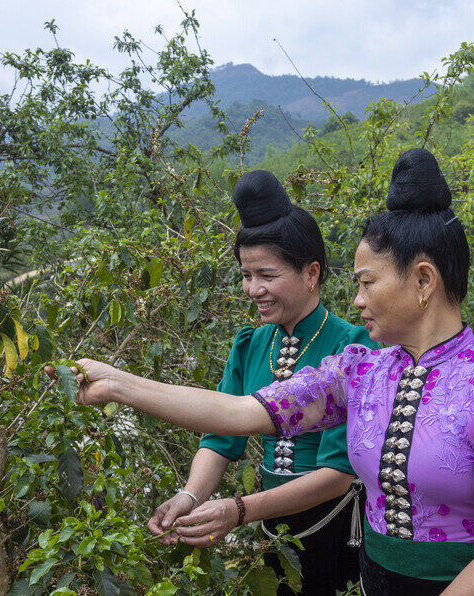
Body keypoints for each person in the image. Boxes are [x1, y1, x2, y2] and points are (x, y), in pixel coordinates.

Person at [57, 149, 474, 596]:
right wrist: (119, 383)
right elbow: (239, 412)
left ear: (423, 280)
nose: (358, 301)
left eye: (367, 283)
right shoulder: (361, 370)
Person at [148, 170, 376, 595]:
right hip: (271, 529)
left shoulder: (352, 347)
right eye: (246, 275)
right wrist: (191, 498)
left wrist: (239, 510)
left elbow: (337, 473)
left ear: (311, 273)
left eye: (267, 275)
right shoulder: (250, 344)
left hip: (334, 527)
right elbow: (220, 438)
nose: (253, 289)